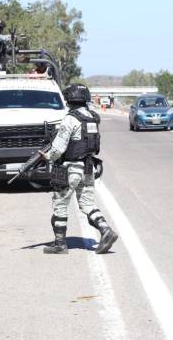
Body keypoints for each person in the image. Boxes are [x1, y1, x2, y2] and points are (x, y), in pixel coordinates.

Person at [40, 83, 118, 255]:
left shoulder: (70, 119)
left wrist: (46, 156)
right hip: (88, 168)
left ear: (69, 99)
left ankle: (60, 244)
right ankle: (106, 230)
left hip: (70, 169)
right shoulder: (93, 118)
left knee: (60, 203)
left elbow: (59, 149)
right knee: (88, 204)